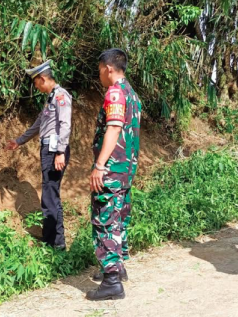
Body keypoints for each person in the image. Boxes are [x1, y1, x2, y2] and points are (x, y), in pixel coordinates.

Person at [86, 48, 141, 301]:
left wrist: (99, 166)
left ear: (109, 68)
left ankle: (112, 282)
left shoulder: (116, 93)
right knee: (119, 218)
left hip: (112, 170)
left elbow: (114, 128)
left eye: (99, 70)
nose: (99, 76)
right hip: (126, 170)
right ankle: (118, 267)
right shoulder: (132, 94)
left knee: (105, 221)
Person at [6, 60, 72, 249]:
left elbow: (65, 125)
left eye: (35, 82)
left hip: (54, 151)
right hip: (48, 150)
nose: (35, 86)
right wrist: (19, 141)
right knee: (50, 194)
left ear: (43, 79)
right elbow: (38, 124)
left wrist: (60, 151)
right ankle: (52, 238)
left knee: (50, 196)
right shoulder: (51, 99)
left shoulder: (61, 97)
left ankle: (56, 242)